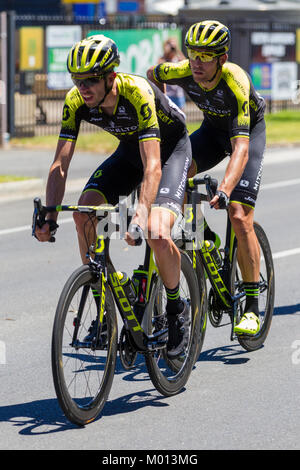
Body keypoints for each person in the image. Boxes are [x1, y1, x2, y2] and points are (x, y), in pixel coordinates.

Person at [34, 34, 192, 358]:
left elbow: (152, 166)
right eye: (78, 80)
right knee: (83, 214)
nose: (83, 87)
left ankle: (177, 309)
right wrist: (49, 214)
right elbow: (60, 164)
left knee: (156, 231)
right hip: (130, 153)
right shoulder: (76, 101)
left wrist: (142, 211)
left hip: (170, 151)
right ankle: (106, 309)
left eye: (91, 80)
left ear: (110, 77)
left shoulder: (137, 93)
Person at [147, 20, 266, 336]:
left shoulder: (235, 81)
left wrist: (226, 189)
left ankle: (252, 307)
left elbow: (240, 148)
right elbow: (152, 75)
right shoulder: (182, 70)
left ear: (222, 59)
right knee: (180, 173)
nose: (196, 62)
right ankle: (199, 234)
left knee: (239, 215)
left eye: (206, 56)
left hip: (247, 135)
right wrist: (165, 116)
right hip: (213, 131)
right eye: (193, 54)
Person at [158, 38, 186, 109]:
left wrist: (177, 50)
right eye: (170, 44)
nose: (172, 47)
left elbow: (186, 64)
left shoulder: (178, 59)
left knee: (181, 116)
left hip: (178, 94)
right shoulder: (163, 59)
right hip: (167, 94)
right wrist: (166, 52)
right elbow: (159, 66)